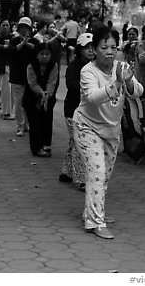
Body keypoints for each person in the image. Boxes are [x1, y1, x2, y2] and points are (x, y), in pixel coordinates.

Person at [73, 26, 143, 239]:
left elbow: (138, 91)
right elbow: (93, 97)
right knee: (96, 172)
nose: (110, 51)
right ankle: (95, 221)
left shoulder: (122, 67)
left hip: (111, 129)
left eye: (113, 47)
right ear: (94, 49)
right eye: (104, 47)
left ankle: (94, 211)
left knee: (104, 176)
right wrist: (118, 82)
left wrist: (129, 80)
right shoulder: (88, 71)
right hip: (87, 127)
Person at [59, 33, 95, 190]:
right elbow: (71, 85)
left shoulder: (96, 66)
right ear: (79, 49)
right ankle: (81, 179)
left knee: (75, 141)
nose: (91, 50)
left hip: (89, 111)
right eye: (87, 47)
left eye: (93, 47)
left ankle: (66, 172)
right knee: (80, 143)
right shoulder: (74, 66)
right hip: (73, 110)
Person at [23, 42, 58, 157]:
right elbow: (32, 83)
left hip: (48, 98)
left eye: (47, 54)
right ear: (37, 55)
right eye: (42, 54)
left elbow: (52, 81)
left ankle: (46, 145)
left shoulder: (54, 65)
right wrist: (41, 92)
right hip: (32, 98)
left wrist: (48, 93)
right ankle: (36, 148)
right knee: (35, 123)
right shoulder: (31, 65)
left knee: (47, 122)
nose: (44, 56)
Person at [9, 17, 37, 137]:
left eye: (26, 27)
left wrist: (28, 43)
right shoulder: (14, 40)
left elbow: (39, 51)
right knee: (19, 102)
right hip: (17, 75)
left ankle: (27, 124)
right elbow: (11, 52)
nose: (24, 29)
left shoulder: (35, 41)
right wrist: (23, 43)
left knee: (29, 102)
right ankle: (19, 125)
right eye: (22, 27)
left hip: (31, 77)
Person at [0, 20, 14, 119]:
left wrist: (7, 47)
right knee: (4, 90)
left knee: (8, 90)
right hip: (1, 65)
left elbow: (13, 49)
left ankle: (6, 111)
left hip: (10, 65)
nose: (5, 27)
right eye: (3, 25)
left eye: (7, 25)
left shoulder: (13, 37)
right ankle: (6, 112)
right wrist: (6, 46)